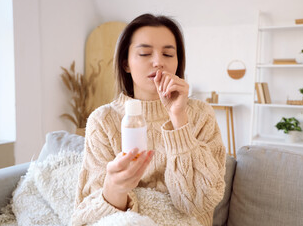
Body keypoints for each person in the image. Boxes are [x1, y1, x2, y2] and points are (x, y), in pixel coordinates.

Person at [72, 13, 226, 226]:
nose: (158, 62)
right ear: (126, 63)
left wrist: (178, 119)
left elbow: (199, 203)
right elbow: (88, 216)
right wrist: (115, 188)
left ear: (178, 61)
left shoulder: (201, 115)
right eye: (145, 53)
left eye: (168, 54)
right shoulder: (103, 120)